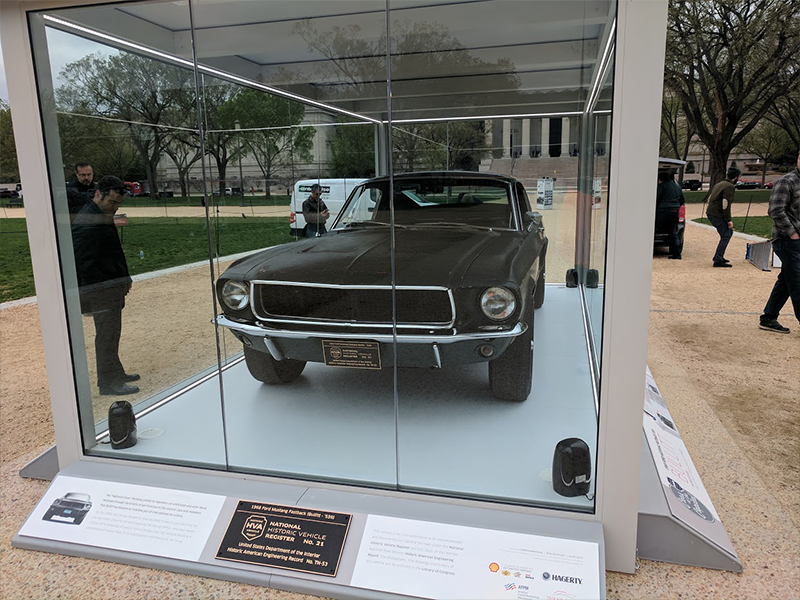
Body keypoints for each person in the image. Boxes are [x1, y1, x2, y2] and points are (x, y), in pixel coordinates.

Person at [71, 176, 140, 395]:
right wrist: (109, 285)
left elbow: (112, 252)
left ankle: (115, 372)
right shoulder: (88, 220)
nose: (115, 207)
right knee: (106, 335)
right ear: (98, 194)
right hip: (101, 290)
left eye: (118, 204)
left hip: (110, 286)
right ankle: (108, 382)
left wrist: (123, 278)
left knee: (111, 333)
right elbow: (84, 264)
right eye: (112, 202)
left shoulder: (100, 214)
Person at [758, 151, 800, 334]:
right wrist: (793, 234)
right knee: (797, 281)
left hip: (796, 240)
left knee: (786, 279)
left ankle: (768, 317)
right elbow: (775, 210)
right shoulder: (786, 181)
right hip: (786, 240)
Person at [705, 166, 740, 267]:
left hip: (711, 212)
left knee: (727, 233)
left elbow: (710, 198)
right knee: (726, 235)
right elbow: (725, 204)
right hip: (717, 214)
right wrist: (728, 220)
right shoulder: (729, 186)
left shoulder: (719, 184)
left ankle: (719, 256)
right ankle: (718, 259)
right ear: (736, 177)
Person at [655, 169, 685, 259]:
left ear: (661, 179)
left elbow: (657, 198)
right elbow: (682, 200)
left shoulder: (662, 186)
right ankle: (677, 253)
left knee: (655, 230)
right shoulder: (677, 187)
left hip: (663, 211)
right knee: (672, 233)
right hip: (674, 211)